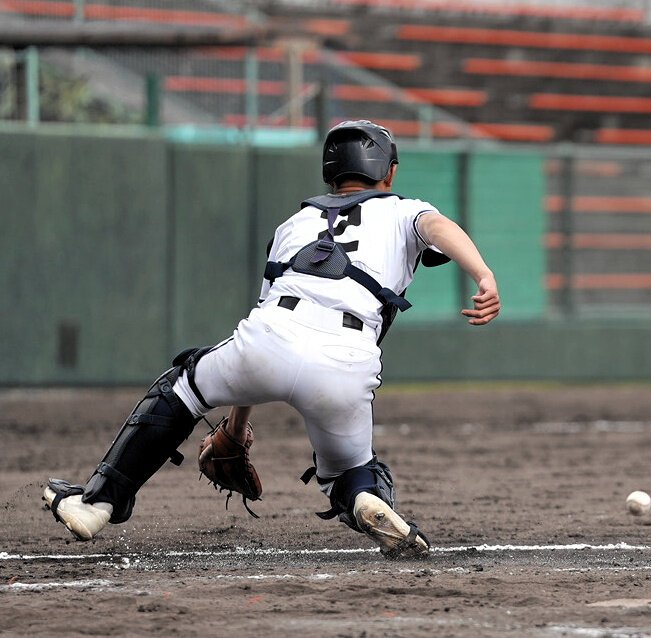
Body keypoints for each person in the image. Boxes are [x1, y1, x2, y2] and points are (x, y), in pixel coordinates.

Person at [42, 120, 501, 558]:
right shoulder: (404, 209)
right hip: (347, 357)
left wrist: (236, 429)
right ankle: (364, 499)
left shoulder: (292, 225)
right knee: (350, 470)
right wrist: (483, 275)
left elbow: (263, 331)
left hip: (269, 338)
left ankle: (98, 503)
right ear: (390, 171)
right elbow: (438, 229)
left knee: (183, 388)